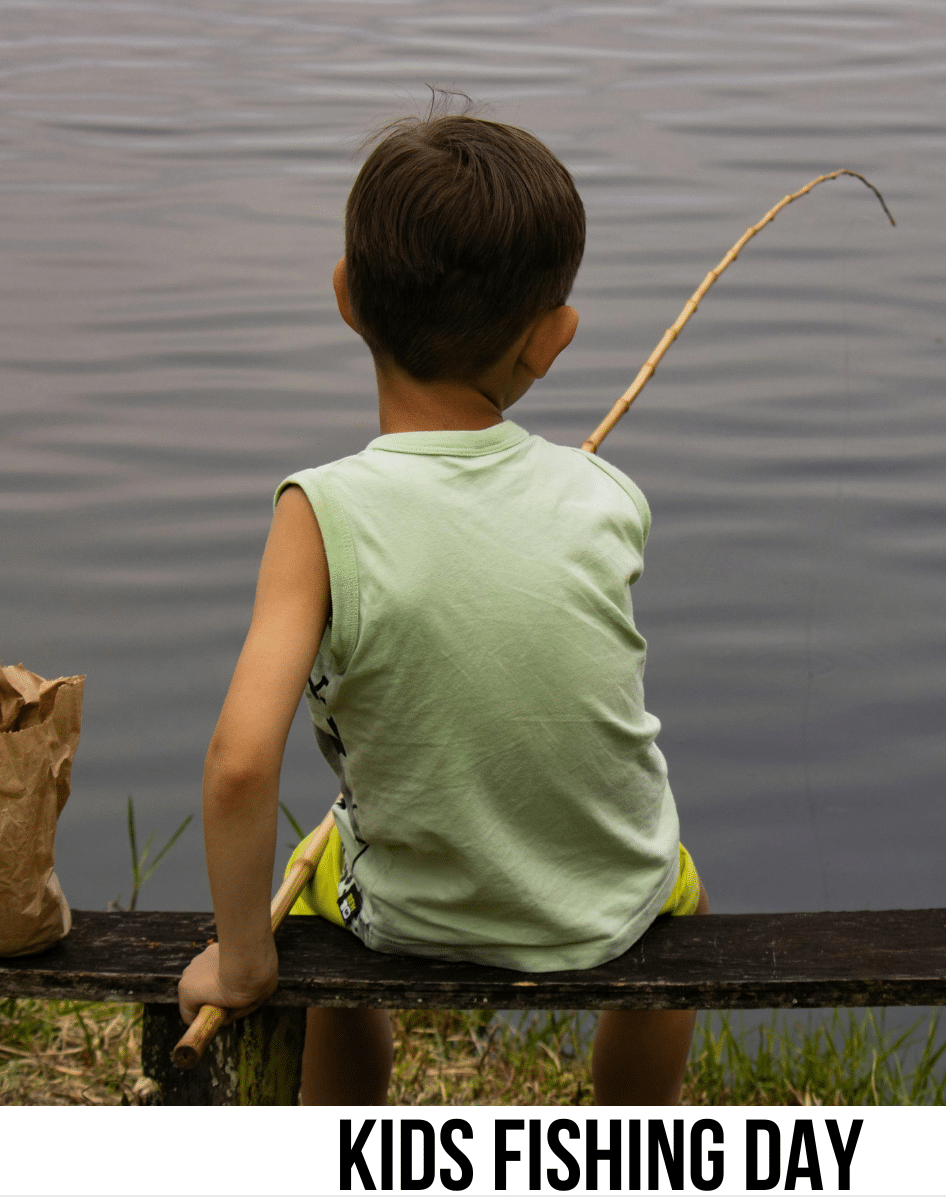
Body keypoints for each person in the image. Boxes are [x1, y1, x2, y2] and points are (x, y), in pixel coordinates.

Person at [178, 110, 708, 1105]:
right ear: (552, 341)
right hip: (611, 907)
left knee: (324, 899)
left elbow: (242, 764)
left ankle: (348, 1141)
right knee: (686, 897)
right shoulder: (607, 495)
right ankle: (631, 1132)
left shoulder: (317, 512)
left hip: (407, 917)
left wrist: (245, 962)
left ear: (345, 296)